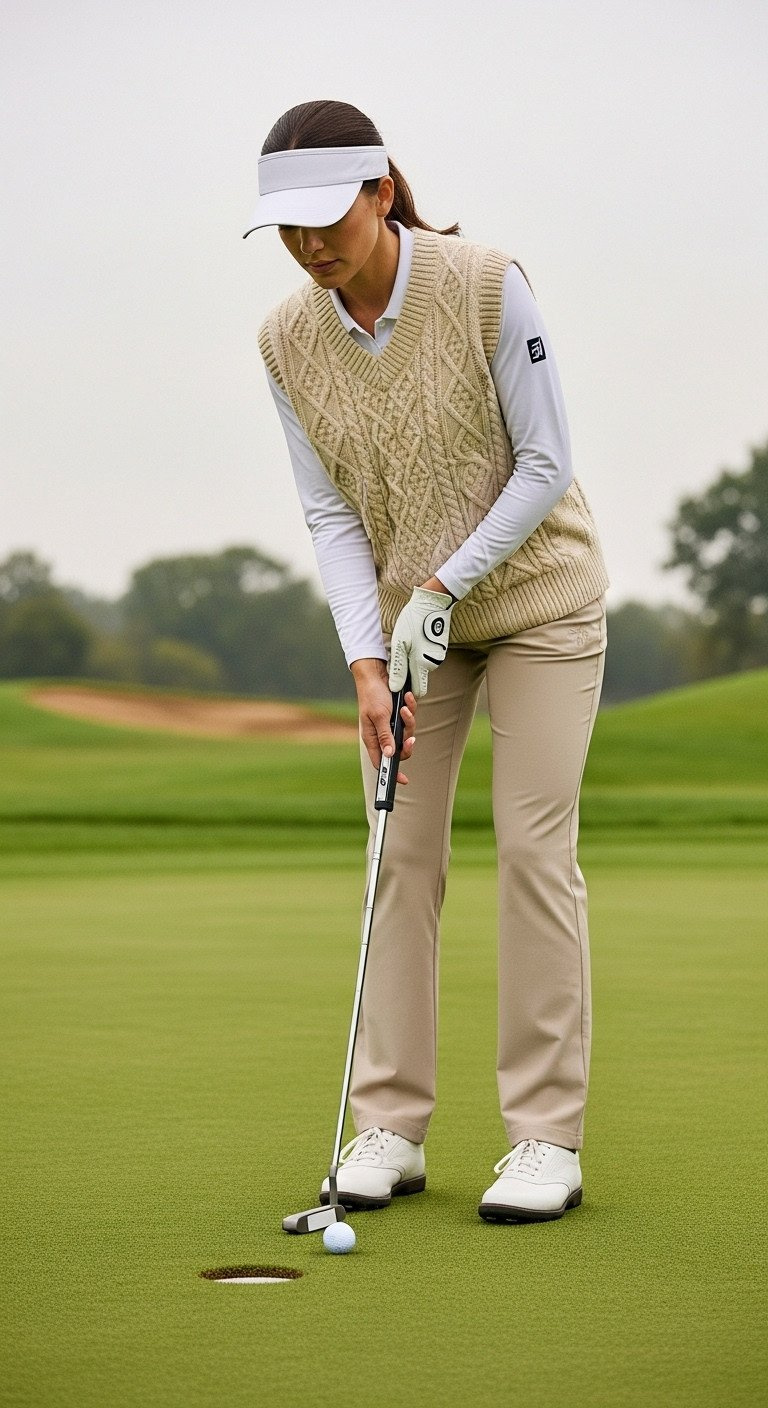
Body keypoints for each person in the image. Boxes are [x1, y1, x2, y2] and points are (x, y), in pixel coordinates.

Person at [243, 99, 609, 1223]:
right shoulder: (285, 338)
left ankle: (545, 1140)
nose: (311, 247)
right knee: (398, 854)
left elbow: (546, 461)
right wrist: (365, 660)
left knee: (532, 848)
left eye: (327, 220)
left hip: (540, 602)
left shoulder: (487, 283)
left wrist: (447, 584)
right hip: (409, 633)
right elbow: (331, 517)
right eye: (288, 228)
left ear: (380, 192)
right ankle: (390, 1122)